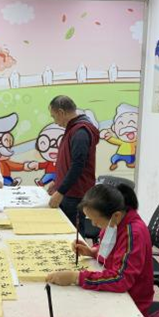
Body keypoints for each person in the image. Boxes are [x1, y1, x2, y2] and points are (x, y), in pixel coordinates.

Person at [46, 183, 154, 315]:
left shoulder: (133, 234)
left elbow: (121, 279)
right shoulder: (114, 222)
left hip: (131, 303)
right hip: (113, 292)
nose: (93, 224)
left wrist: (76, 277)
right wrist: (92, 252)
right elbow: (110, 248)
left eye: (96, 221)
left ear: (116, 215)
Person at [47, 95, 100, 227]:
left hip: (74, 195)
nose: (55, 122)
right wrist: (57, 181)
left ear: (61, 112)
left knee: (73, 232)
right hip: (69, 191)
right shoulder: (73, 129)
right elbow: (67, 161)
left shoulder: (80, 132)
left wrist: (60, 192)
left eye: (54, 116)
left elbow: (77, 166)